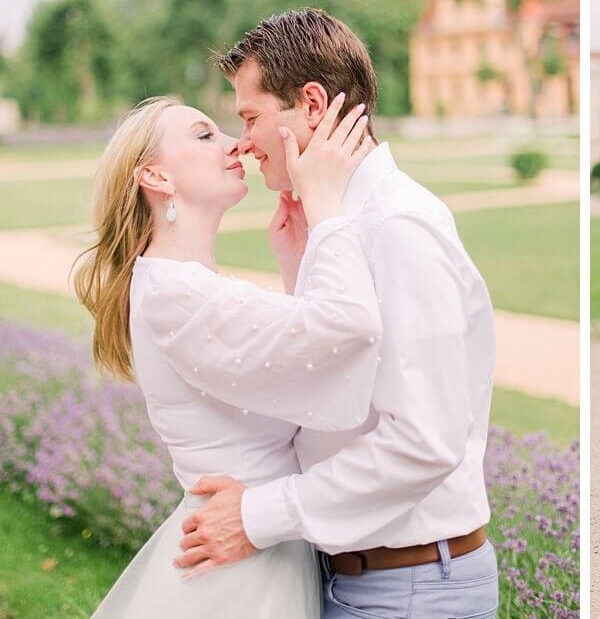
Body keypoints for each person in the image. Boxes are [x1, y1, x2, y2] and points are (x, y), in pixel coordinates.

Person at [173, 9, 500, 618]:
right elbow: (340, 400)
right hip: (364, 580)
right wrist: (302, 263)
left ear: (313, 104)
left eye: (251, 117)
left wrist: (257, 516)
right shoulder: (344, 226)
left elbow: (424, 441)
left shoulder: (397, 227)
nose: (243, 141)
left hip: (412, 590)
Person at [76, 94, 379, 618]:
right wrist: (327, 210)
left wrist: (297, 262)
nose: (234, 142)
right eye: (203, 135)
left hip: (250, 545)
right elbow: (347, 327)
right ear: (157, 177)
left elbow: (288, 372)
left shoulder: (177, 286)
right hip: (240, 573)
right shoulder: (178, 294)